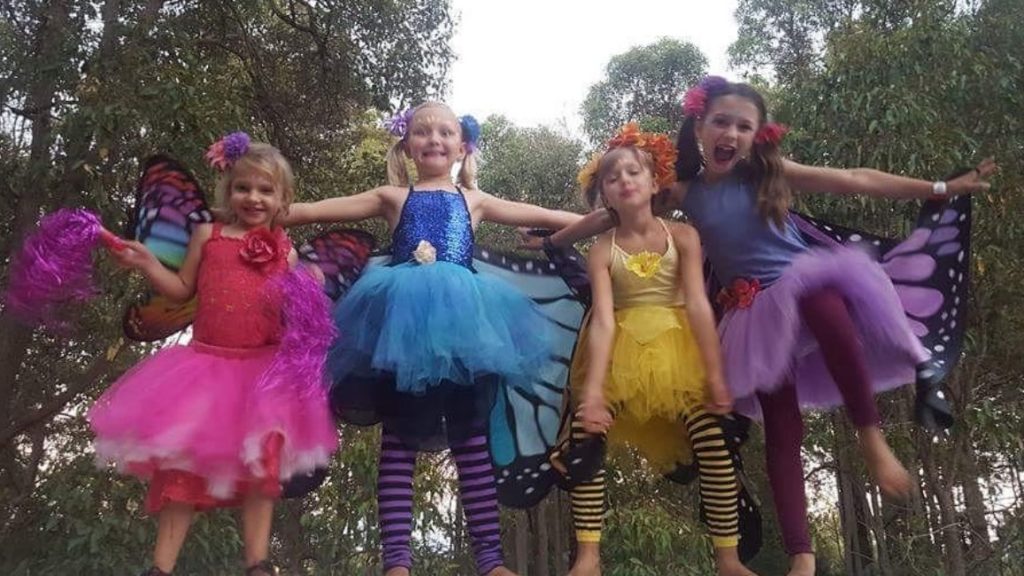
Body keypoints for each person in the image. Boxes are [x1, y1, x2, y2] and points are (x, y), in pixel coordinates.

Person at [533, 77, 995, 576]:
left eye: (743, 126)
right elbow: (610, 216)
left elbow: (855, 178)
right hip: (754, 312)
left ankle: (871, 437)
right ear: (700, 127)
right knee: (781, 424)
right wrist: (556, 241)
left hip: (802, 281)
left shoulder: (767, 175)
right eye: (721, 122)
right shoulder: (685, 195)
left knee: (826, 306)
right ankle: (802, 555)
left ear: (758, 135)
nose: (730, 132)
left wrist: (941, 188)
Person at [284, 102, 582, 576]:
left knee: (471, 438)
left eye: (445, 132)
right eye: (422, 132)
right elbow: (313, 211)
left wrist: (609, 217)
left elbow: (545, 214)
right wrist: (261, 210)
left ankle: (490, 559)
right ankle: (397, 560)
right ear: (406, 144)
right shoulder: (392, 196)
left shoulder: (474, 200)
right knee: (399, 437)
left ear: (463, 146)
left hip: (467, 327)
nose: (434, 140)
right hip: (402, 326)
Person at [90, 134, 338, 576]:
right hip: (204, 369)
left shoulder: (287, 250)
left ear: (283, 199)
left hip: (263, 377)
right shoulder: (208, 234)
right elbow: (183, 289)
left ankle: (258, 563)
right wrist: (148, 263)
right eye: (244, 187)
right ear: (229, 189)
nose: (253, 198)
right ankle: (160, 568)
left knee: (264, 468)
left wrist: (310, 296)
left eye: (266, 190)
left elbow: (292, 320)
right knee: (181, 468)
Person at [564, 124, 757, 576]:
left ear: (655, 184)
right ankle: (588, 554)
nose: (624, 180)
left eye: (634, 172)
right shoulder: (601, 250)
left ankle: (728, 557)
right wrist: (593, 391)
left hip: (680, 348)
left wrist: (714, 373)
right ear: (605, 194)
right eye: (613, 177)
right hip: (619, 351)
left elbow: (697, 305)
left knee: (713, 439)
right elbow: (605, 320)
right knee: (585, 434)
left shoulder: (683, 237)